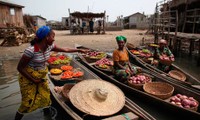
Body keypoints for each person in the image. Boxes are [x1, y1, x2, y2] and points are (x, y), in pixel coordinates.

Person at [14, 26, 86, 120]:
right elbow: (20, 68)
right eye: (53, 36)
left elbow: (66, 49)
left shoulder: (49, 47)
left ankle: (47, 117)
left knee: (46, 99)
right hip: (28, 78)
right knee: (27, 103)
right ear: (46, 37)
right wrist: (34, 80)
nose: (54, 39)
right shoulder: (32, 50)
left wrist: (79, 50)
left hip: (41, 77)